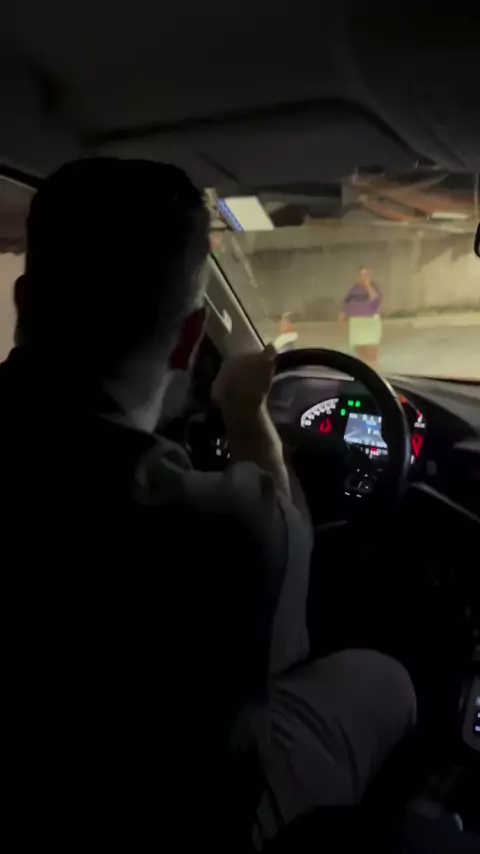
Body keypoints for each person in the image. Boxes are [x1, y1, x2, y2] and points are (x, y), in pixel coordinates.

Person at [6, 160, 415, 851]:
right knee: (387, 681)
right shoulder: (209, 523)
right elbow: (283, 601)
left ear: (24, 300)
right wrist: (244, 410)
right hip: (181, 818)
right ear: (192, 337)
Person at [339, 266, 383, 367]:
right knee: (360, 351)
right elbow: (346, 303)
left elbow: (376, 301)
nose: (363, 277)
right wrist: (341, 316)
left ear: (369, 276)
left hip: (369, 322)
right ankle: (363, 370)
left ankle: (374, 370)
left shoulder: (374, 287)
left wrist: (367, 285)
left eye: (365, 275)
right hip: (357, 323)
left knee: (371, 351)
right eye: (361, 275)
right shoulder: (353, 289)